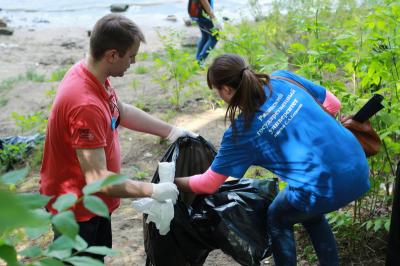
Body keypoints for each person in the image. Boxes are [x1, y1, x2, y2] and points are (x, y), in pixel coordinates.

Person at [175, 53, 370, 265]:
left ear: (227, 90)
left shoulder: (240, 133)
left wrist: (173, 182)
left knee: (277, 216)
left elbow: (208, 184)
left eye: (217, 91)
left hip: (325, 188)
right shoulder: (283, 79)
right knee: (308, 212)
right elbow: (333, 103)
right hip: (358, 166)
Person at [39, 14, 196, 262]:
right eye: (131, 56)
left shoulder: (91, 74)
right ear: (112, 55)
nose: (133, 62)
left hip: (93, 205)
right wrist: (151, 190)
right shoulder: (84, 105)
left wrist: (170, 131)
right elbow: (99, 180)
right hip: (77, 211)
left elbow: (119, 111)